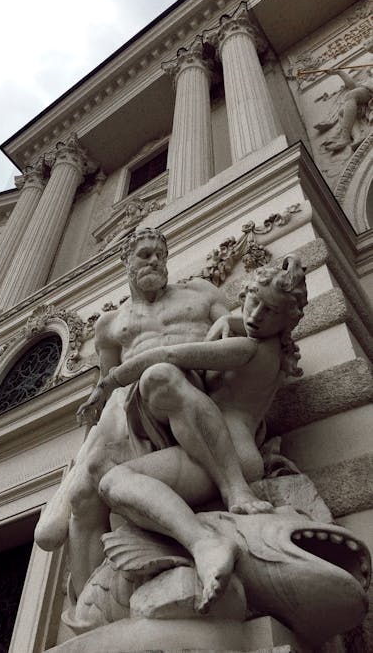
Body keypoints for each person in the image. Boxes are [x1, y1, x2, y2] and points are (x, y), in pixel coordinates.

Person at [90, 254, 308, 611]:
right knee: (111, 480)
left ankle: (204, 538)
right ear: (245, 295)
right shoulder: (258, 337)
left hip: (230, 458)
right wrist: (226, 317)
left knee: (117, 478)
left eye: (269, 312)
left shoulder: (248, 347)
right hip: (212, 446)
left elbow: (171, 354)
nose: (255, 317)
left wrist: (110, 381)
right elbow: (244, 321)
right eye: (253, 303)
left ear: (287, 320)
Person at [35, 228, 235, 598]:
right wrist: (90, 437)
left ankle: (225, 497)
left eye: (160, 254)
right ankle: (91, 604)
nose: (155, 260)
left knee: (161, 378)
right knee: (81, 496)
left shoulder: (201, 293)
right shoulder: (110, 324)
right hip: (130, 412)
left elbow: (242, 333)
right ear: (126, 262)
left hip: (190, 392)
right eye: (144, 255)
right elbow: (107, 384)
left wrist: (230, 322)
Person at [317, 68, 373, 152]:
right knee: (343, 112)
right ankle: (358, 136)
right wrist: (340, 72)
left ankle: (345, 137)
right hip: (368, 93)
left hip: (369, 93)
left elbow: (358, 91)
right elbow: (354, 87)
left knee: (351, 95)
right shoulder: (369, 80)